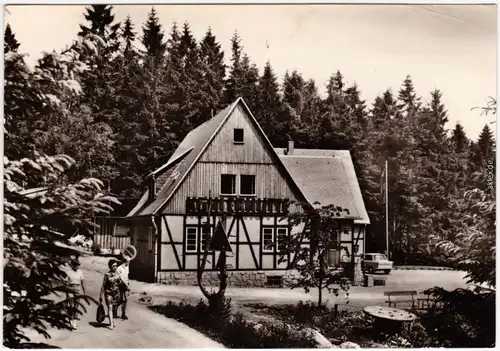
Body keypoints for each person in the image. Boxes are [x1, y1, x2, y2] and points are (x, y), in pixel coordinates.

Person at [99, 259, 123, 329]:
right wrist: (100, 295)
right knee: (110, 307)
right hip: (108, 294)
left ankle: (111, 321)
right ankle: (111, 324)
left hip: (116, 294)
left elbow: (121, 284)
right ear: (110, 267)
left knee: (113, 308)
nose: (115, 267)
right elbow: (103, 285)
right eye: (114, 266)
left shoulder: (118, 274)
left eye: (116, 266)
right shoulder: (107, 275)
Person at [65, 258, 85, 330]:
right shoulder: (68, 272)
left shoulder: (80, 272)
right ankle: (71, 322)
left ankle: (74, 323)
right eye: (76, 265)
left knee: (76, 307)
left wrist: (84, 292)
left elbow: (82, 283)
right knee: (71, 307)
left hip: (78, 290)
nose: (77, 266)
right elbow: (66, 283)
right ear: (72, 265)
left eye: (78, 265)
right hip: (70, 289)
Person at [116, 255, 130, 320]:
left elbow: (127, 277)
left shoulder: (127, 268)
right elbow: (120, 278)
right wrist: (126, 285)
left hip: (126, 285)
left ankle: (123, 314)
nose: (129, 263)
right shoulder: (119, 268)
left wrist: (128, 284)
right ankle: (115, 310)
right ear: (125, 261)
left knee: (126, 300)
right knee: (121, 300)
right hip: (121, 285)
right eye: (128, 261)